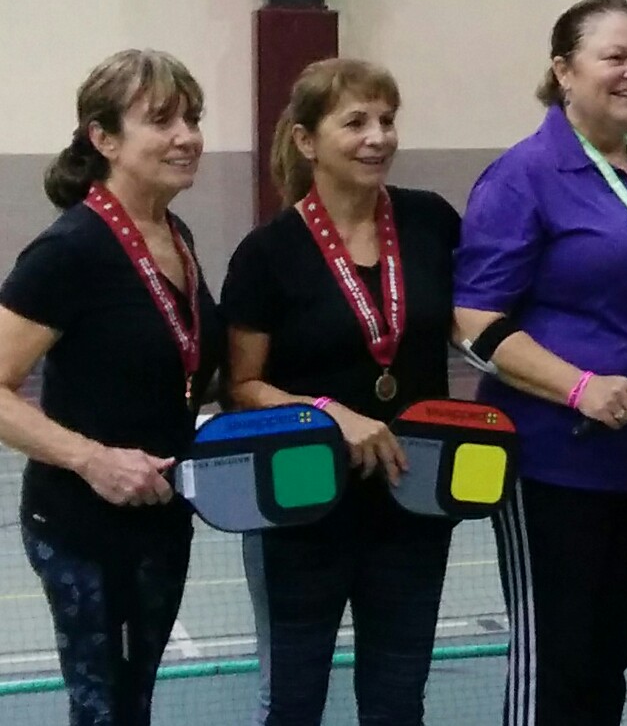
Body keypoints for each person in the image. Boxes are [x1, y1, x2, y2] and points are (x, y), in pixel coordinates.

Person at [453, 0, 627, 726]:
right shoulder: (523, 174)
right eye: (615, 57)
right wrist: (579, 388)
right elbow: (473, 320)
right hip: (550, 463)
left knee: (607, 660)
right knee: (556, 665)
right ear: (564, 71)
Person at [222, 58, 461, 725]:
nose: (377, 136)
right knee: (292, 702)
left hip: (413, 495)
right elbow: (241, 386)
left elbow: (477, 319)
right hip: (301, 501)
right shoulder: (267, 253)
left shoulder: (430, 221)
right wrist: (328, 413)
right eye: (355, 122)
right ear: (306, 140)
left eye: (386, 120)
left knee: (397, 702)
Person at [0, 49, 221, 726]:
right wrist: (94, 460)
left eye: (192, 118)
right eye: (162, 120)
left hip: (163, 518)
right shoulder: (69, 250)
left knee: (135, 702)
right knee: (106, 711)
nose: (186, 136)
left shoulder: (174, 233)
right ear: (104, 138)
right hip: (85, 529)